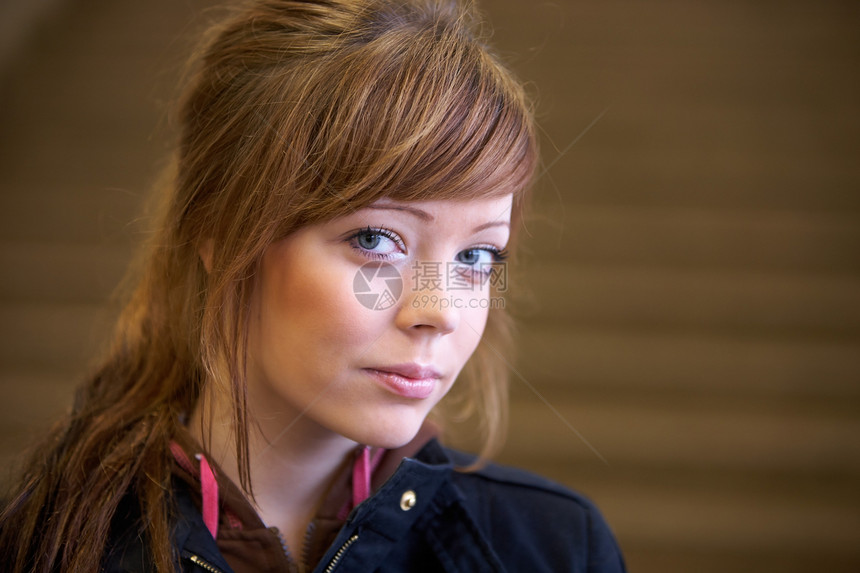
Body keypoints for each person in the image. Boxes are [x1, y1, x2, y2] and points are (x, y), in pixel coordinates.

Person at [0, 0, 626, 571]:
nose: (438, 312)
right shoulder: (50, 545)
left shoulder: (553, 548)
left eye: (478, 254)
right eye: (376, 239)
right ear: (221, 232)